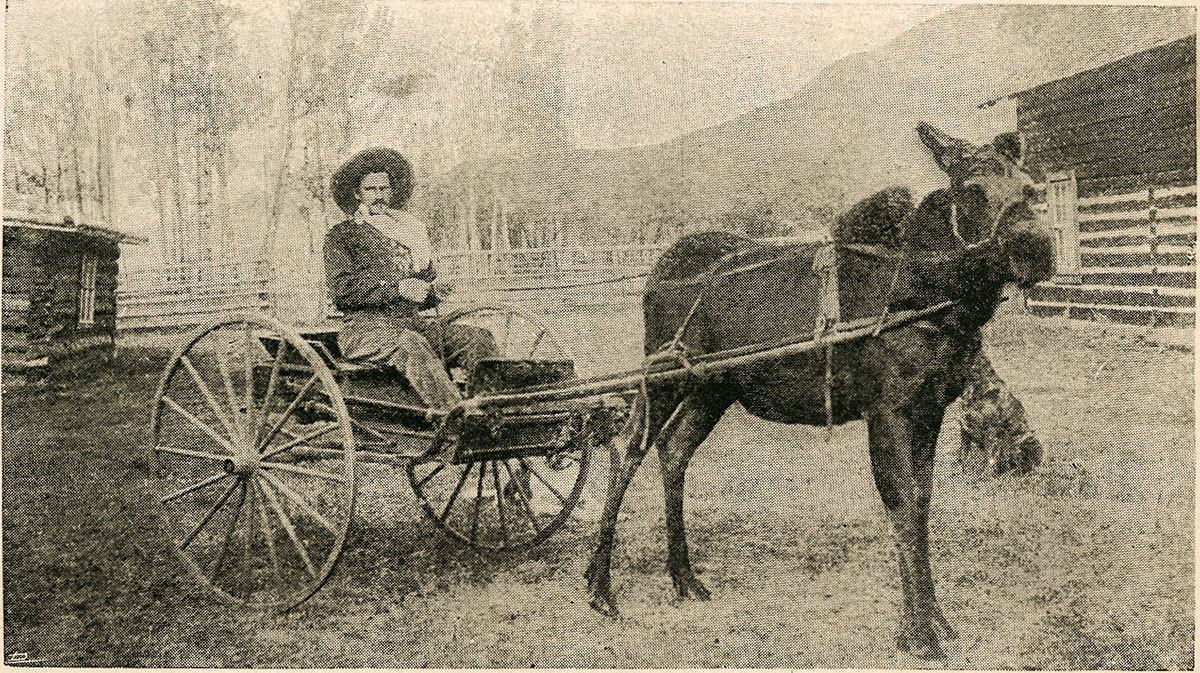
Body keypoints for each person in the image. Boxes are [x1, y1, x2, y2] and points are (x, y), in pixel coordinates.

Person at [324, 148, 498, 409]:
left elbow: (415, 294)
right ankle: (455, 415)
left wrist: (432, 292)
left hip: (412, 324)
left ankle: (493, 407)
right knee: (412, 343)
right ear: (357, 194)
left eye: (384, 188)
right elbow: (342, 290)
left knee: (478, 337)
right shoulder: (342, 235)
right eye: (371, 189)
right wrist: (398, 288)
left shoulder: (409, 233)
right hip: (365, 331)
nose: (379, 195)